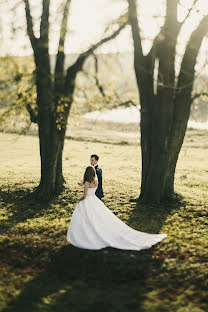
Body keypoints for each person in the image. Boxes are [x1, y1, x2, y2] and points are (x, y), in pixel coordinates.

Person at [67, 166, 167, 251]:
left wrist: (79, 200)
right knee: (98, 217)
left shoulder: (87, 182)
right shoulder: (95, 180)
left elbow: (85, 195)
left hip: (88, 201)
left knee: (86, 218)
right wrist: (82, 184)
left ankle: (85, 235)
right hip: (95, 199)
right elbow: (88, 187)